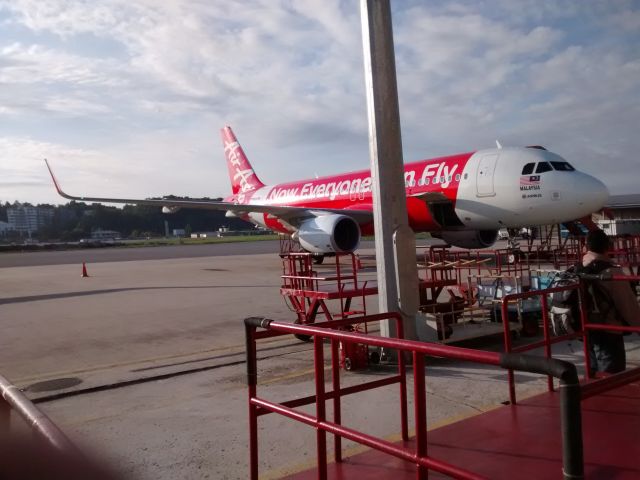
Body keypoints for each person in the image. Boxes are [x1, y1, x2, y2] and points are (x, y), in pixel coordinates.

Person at [582, 229, 640, 376]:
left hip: (587, 331)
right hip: (608, 332)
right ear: (607, 246)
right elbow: (628, 305)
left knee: (594, 377)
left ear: (586, 246)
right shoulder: (612, 273)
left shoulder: (580, 267)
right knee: (612, 379)